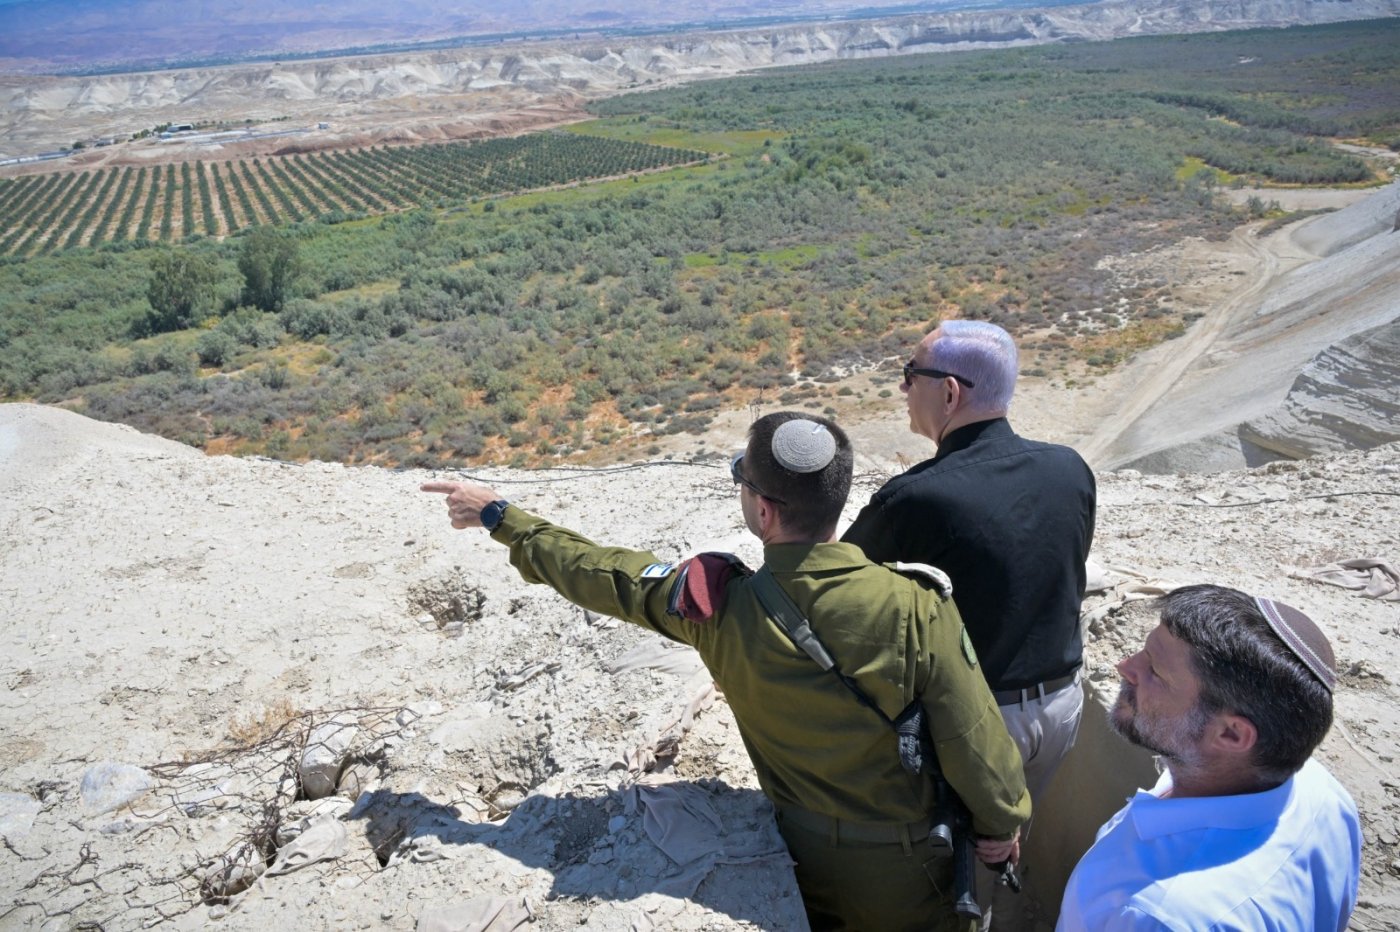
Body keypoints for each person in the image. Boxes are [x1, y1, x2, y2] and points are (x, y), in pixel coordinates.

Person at [423, 412, 1030, 931]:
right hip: (909, 869)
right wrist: (1003, 823)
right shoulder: (913, 605)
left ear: (764, 510)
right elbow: (972, 738)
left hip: (799, 858)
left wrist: (502, 516)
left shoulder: (715, 609)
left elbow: (602, 573)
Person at [843, 320, 1096, 810]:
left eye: (911, 373)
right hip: (1063, 706)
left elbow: (841, 584)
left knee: (952, 860)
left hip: (980, 721)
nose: (903, 387)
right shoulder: (1070, 468)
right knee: (1013, 838)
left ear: (951, 393)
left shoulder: (917, 497)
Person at [1058, 584, 1361, 931]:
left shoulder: (1160, 916)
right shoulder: (1323, 793)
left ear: (1231, 735)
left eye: (1155, 671)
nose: (1125, 666)